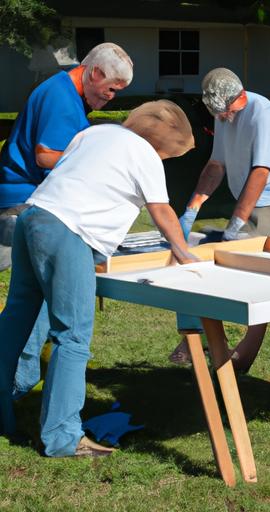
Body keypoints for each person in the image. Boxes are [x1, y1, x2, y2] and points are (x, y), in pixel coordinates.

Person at [0, 100, 197, 456]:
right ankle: (62, 437)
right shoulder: (145, 154)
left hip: (32, 217)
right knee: (72, 336)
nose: (166, 161)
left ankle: (4, 406)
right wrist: (184, 253)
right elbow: (162, 210)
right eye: (170, 156)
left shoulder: (95, 133)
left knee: (16, 319)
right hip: (68, 230)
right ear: (162, 145)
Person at [0, 42, 133, 399]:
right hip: (27, 204)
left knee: (26, 305)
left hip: (30, 204)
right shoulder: (61, 97)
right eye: (111, 89)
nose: (111, 98)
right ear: (94, 73)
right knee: (42, 302)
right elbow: (45, 156)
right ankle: (18, 383)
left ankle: (15, 383)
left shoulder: (66, 93)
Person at [171, 67, 270, 372]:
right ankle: (199, 338)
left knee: (260, 288)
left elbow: (260, 173)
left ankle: (241, 358)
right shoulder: (223, 114)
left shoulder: (264, 115)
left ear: (240, 96)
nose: (223, 118)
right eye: (218, 113)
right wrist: (192, 209)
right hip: (248, 204)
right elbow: (216, 165)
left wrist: (235, 225)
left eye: (227, 111)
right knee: (202, 267)